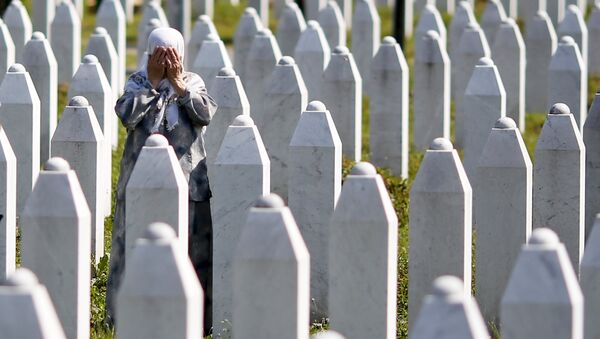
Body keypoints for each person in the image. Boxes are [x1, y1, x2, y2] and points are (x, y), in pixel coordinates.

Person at [106, 27, 218, 331]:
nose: (166, 62)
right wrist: (155, 83)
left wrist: (179, 86)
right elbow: (128, 115)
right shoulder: (138, 82)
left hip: (190, 181)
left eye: (172, 55)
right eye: (160, 56)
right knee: (136, 243)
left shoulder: (193, 82)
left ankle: (197, 321)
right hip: (141, 178)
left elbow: (204, 114)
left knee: (193, 248)